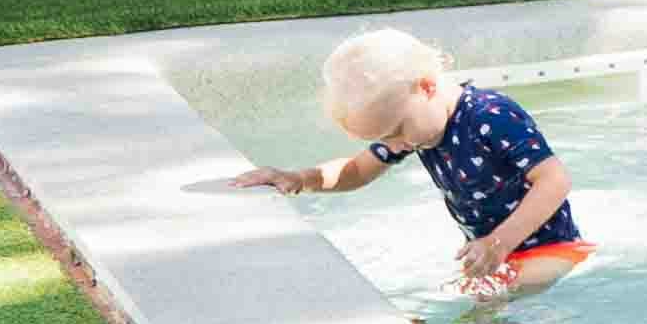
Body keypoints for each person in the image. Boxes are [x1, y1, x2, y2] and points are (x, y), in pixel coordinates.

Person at [224, 27, 586, 295]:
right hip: (496, 255)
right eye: (385, 138)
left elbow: (554, 181)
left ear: (426, 86)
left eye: (396, 130)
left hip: (552, 249)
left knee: (499, 304)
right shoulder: (416, 128)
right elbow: (356, 170)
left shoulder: (491, 116)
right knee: (487, 306)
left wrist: (499, 243)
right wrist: (299, 178)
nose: (395, 144)